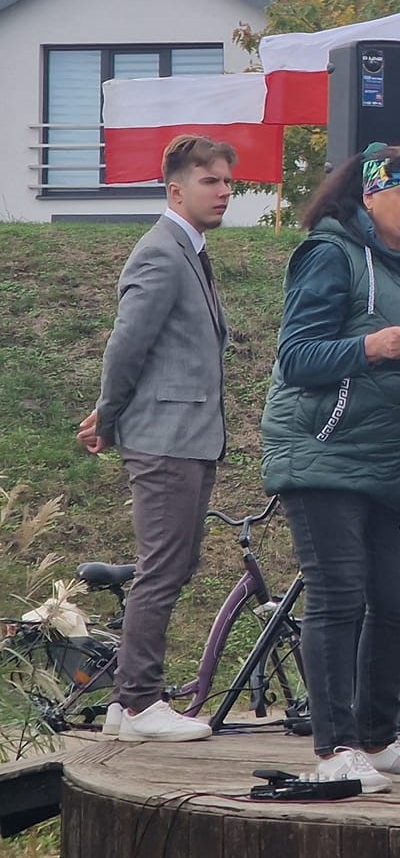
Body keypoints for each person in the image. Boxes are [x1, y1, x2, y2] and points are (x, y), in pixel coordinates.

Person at [261, 144, 400, 792]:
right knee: (339, 595)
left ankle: (380, 739)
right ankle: (336, 747)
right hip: (327, 451)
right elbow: (297, 356)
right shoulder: (330, 253)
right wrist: (369, 347)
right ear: (371, 195)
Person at [75, 135, 236, 743]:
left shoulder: (189, 251)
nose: (223, 191)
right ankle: (141, 703)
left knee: (172, 564)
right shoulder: (162, 253)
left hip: (188, 435)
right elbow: (126, 347)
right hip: (165, 438)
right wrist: (107, 416)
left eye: (227, 182)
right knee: (162, 568)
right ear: (175, 189)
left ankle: (125, 705)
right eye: (210, 181)